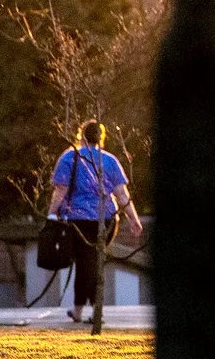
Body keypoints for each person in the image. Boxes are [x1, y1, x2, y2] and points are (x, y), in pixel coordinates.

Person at [47, 118, 143, 323]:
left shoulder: (69, 158)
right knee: (89, 263)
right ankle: (81, 311)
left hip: (76, 220)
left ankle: (92, 311)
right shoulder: (109, 160)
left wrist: (51, 214)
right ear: (101, 137)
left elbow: (60, 191)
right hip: (106, 219)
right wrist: (133, 218)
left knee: (85, 263)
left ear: (81, 135)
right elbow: (122, 194)